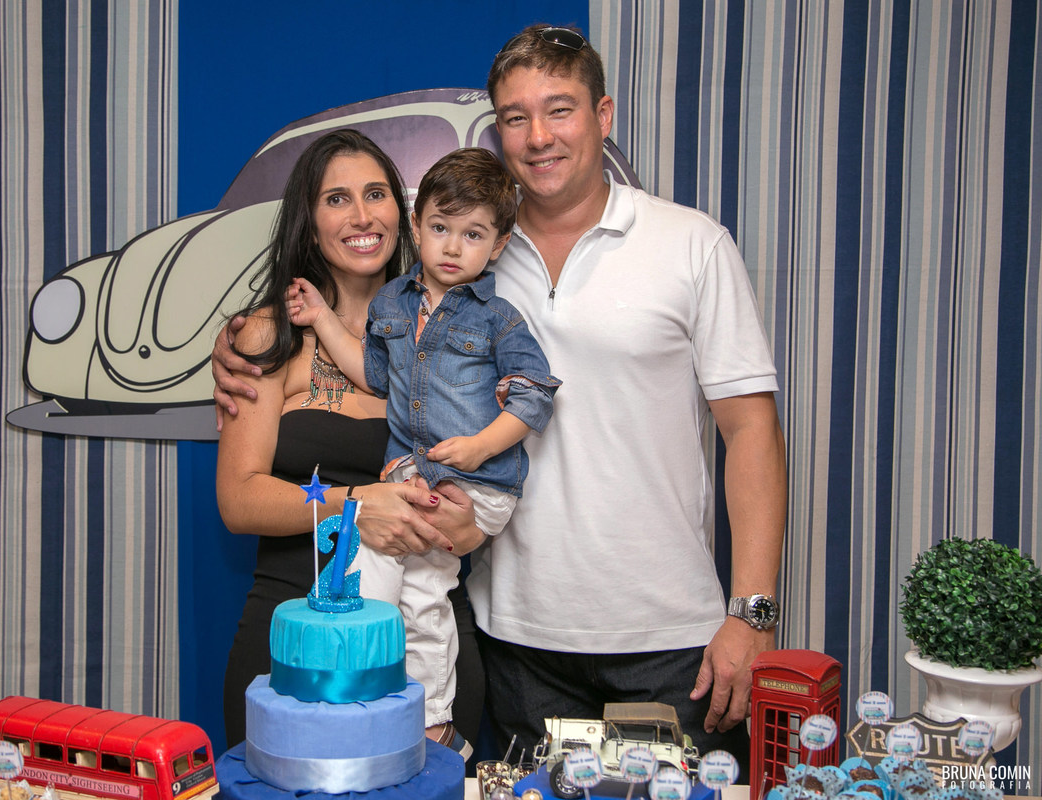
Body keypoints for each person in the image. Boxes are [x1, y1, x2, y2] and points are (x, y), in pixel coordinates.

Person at [213, 25, 786, 771]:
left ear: (603, 115)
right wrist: (255, 339)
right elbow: (365, 373)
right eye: (516, 117)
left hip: (669, 639)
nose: (538, 136)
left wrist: (752, 613)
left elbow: (751, 432)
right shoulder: (456, 268)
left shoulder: (688, 244)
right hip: (515, 639)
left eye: (560, 109)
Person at [215, 129, 486, 753]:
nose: (362, 216)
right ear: (310, 226)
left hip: (427, 641)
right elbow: (239, 500)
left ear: (404, 214)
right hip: (297, 637)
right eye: (337, 199)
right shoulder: (268, 336)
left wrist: (468, 528)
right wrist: (358, 505)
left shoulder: (459, 335)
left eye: (376, 194)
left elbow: (487, 481)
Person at [284, 147, 561, 756]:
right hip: (418, 475)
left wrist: (480, 446)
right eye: (440, 228)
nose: (452, 247)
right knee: (381, 569)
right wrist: (324, 318)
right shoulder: (393, 305)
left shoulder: (497, 318)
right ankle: (371, 678)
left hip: (479, 483)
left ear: (499, 243)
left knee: (424, 589)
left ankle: (431, 720)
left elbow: (535, 394)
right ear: (416, 226)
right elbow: (373, 375)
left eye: (473, 235)